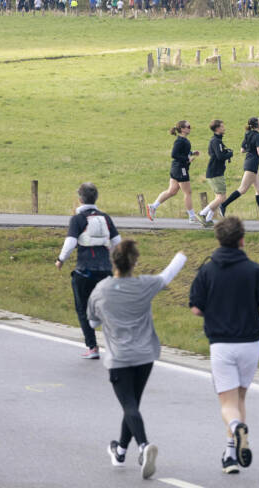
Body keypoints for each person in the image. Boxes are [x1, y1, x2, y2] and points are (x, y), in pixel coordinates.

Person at [87, 241, 187, 479]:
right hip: (145, 357)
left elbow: (92, 322)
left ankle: (143, 446)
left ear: (113, 262)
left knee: (129, 406)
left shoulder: (101, 290)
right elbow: (166, 276)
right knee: (132, 406)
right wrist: (181, 256)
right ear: (135, 262)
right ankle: (120, 451)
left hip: (119, 358)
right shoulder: (144, 285)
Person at [189, 216, 259, 474]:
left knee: (227, 404)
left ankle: (237, 429)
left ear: (218, 238)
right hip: (249, 342)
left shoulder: (207, 271)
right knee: (239, 398)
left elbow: (195, 309)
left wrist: (213, 314)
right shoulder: (255, 270)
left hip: (221, 344)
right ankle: (230, 456)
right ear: (242, 239)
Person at [55, 182, 121, 359]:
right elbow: (117, 242)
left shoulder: (77, 219)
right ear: (96, 198)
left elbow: (70, 244)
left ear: (79, 199)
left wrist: (60, 260)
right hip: (105, 271)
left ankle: (92, 347)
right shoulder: (106, 218)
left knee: (83, 309)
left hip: (85, 271)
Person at [219, 117, 259, 222]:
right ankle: (223, 205)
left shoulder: (248, 134)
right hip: (252, 165)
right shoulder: (258, 136)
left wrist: (251, 149)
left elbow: (242, 150)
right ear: (256, 125)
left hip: (250, 163)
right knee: (243, 189)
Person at [146, 120, 202, 224]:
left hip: (177, 168)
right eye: (188, 126)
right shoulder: (179, 141)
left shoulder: (183, 140)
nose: (190, 128)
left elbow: (182, 152)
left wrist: (192, 152)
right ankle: (192, 217)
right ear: (182, 129)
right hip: (180, 168)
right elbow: (174, 154)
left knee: (172, 191)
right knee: (188, 192)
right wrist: (187, 159)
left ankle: (153, 207)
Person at [199, 119, 235, 226]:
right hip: (216, 173)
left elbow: (213, 153)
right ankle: (202, 214)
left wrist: (225, 152)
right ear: (218, 128)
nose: (224, 128)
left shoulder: (215, 140)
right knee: (222, 198)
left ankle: (208, 219)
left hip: (214, 172)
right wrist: (229, 154)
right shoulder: (216, 141)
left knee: (218, 198)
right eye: (222, 126)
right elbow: (219, 156)